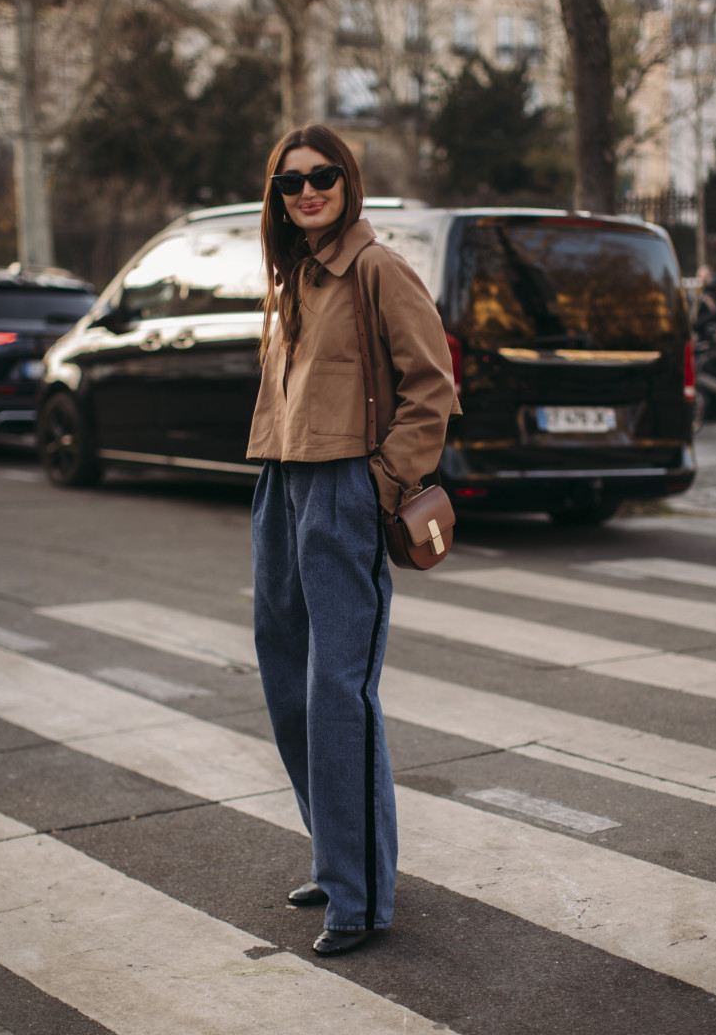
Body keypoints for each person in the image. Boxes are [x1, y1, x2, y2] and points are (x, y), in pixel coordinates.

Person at [247, 124, 460, 957]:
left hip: (343, 489)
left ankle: (363, 896)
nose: (307, 190)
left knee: (340, 691)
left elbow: (432, 386)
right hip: (280, 483)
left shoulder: (376, 268)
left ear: (349, 182)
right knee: (289, 687)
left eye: (323, 176)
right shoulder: (293, 274)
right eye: (291, 181)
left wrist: (378, 482)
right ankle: (338, 862)